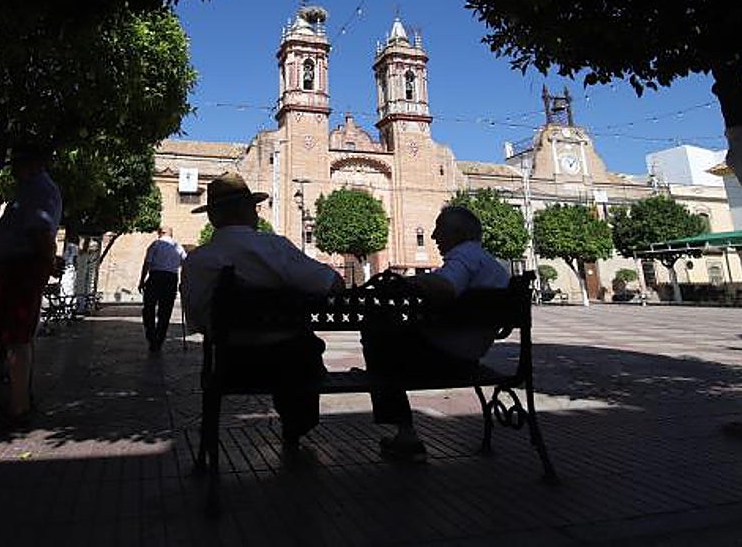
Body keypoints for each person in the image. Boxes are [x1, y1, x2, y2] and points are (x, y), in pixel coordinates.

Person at [181, 172, 343, 451]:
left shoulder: (197, 261)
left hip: (231, 367)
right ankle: (296, 425)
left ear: (213, 217)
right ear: (249, 212)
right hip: (292, 366)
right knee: (302, 349)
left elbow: (198, 322)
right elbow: (332, 285)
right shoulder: (275, 248)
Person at [361, 204, 511, 462]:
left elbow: (447, 286)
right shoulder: (493, 265)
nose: (433, 237)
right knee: (386, 339)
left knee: (377, 335)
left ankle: (406, 434)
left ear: (459, 233)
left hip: (445, 359)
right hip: (470, 358)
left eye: (439, 228)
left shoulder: (464, 256)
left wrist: (408, 281)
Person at [0, 144, 63, 427]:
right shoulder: (31, 189)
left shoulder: (38, 190)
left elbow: (40, 231)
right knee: (13, 334)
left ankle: (18, 405)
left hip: (22, 268)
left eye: (17, 164)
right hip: (17, 267)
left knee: (17, 336)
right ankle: (17, 398)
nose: (12, 170)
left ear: (32, 164)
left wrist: (47, 263)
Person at [138, 226, 186, 351]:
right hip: (171, 279)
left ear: (161, 233)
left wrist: (142, 280)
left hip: (156, 277)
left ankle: (151, 336)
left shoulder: (155, 244)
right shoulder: (178, 247)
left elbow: (147, 263)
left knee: (149, 307)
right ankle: (159, 340)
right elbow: (185, 264)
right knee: (166, 310)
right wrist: (183, 282)